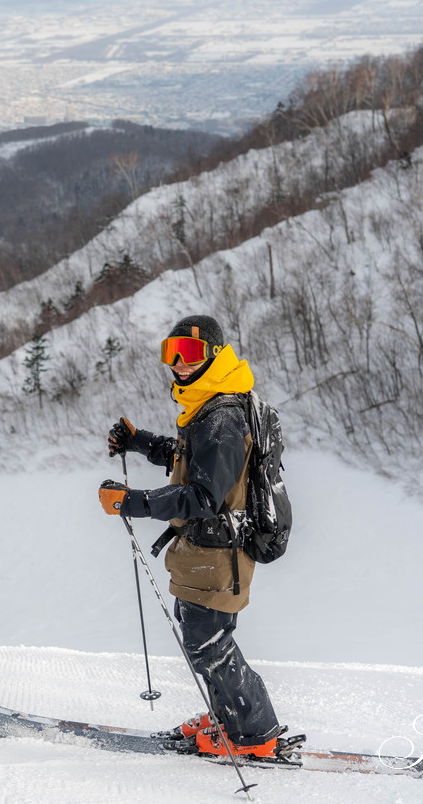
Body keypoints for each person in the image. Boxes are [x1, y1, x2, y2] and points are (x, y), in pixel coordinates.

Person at [97, 314, 282, 757]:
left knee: (209, 643)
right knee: (203, 638)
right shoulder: (208, 404)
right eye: (171, 353)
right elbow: (189, 459)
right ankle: (229, 720)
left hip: (219, 555)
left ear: (215, 356)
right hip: (203, 552)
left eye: (191, 354)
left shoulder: (221, 416)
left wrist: (133, 502)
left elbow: (202, 496)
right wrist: (140, 441)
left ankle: (254, 735)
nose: (179, 364)